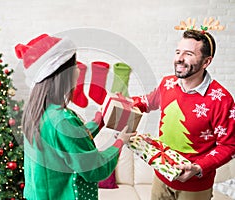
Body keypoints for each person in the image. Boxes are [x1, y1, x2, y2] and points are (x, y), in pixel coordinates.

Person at [15, 34, 135, 200]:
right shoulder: (62, 120)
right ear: (62, 74)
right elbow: (95, 168)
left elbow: (71, 141)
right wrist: (120, 141)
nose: (79, 70)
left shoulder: (39, 112)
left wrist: (98, 122)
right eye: (75, 65)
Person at [132, 29, 235, 200]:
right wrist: (121, 102)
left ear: (206, 62)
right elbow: (147, 102)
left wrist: (198, 167)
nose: (179, 58)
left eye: (188, 54)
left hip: (195, 188)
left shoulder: (221, 99)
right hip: (161, 177)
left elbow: (229, 146)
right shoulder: (168, 84)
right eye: (178, 52)